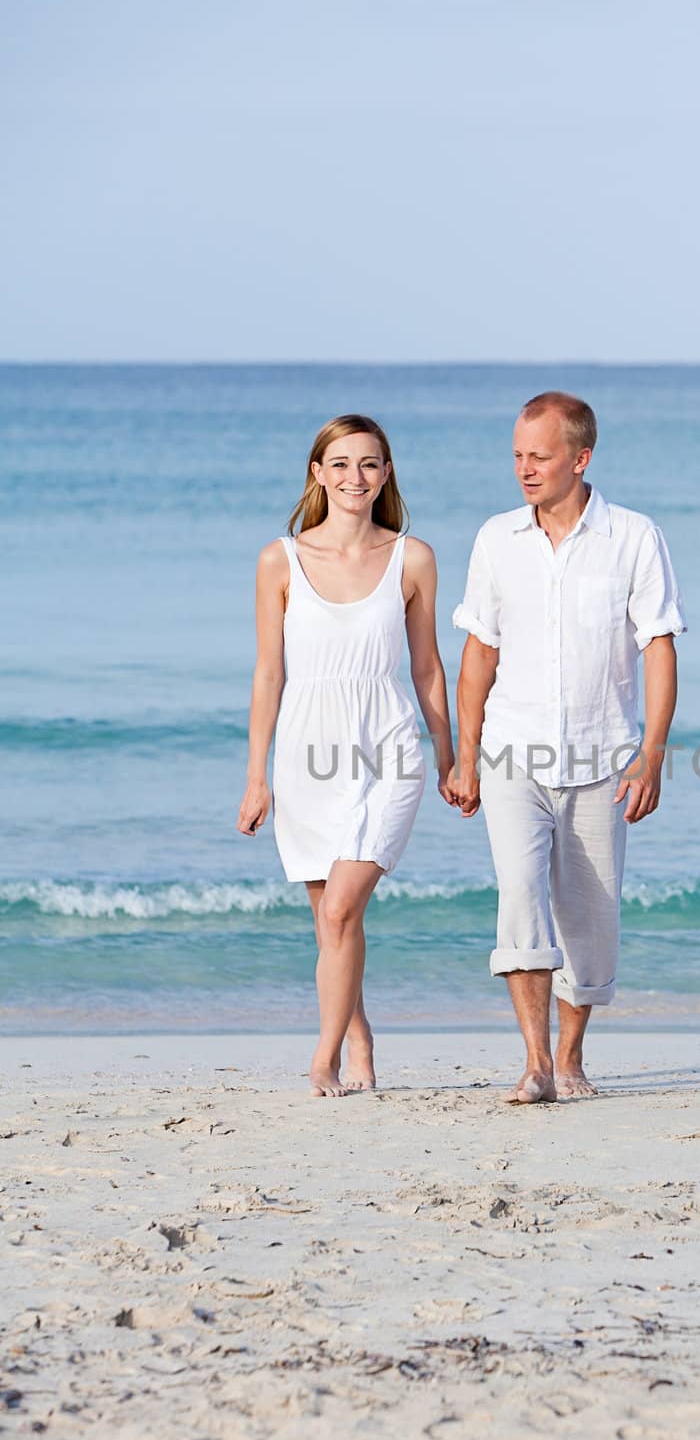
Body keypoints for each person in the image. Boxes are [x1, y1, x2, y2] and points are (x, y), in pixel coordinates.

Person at [449, 391, 685, 1104]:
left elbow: (659, 645)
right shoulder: (496, 539)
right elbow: (476, 654)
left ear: (579, 459)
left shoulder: (634, 537)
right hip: (511, 753)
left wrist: (653, 751)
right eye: (518, 455)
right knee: (519, 897)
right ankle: (534, 1063)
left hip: (601, 756)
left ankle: (572, 1054)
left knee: (589, 916)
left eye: (539, 456)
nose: (524, 468)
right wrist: (464, 755)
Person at [237, 414, 457, 1097]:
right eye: (339, 464)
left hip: (386, 746)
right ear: (317, 473)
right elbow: (267, 673)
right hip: (304, 752)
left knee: (340, 912)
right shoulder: (280, 559)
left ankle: (324, 1057)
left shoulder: (411, 557)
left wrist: (451, 756)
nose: (353, 477)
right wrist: (255, 777)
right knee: (331, 921)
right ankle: (360, 1038)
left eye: (368, 464)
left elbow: (427, 668)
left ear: (386, 473)